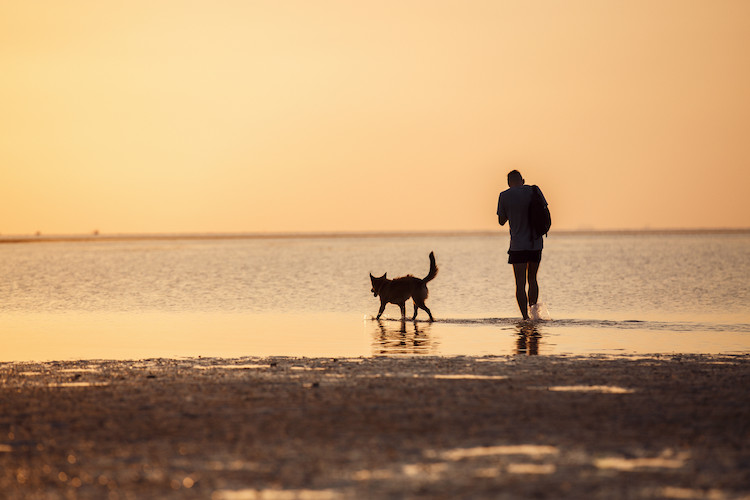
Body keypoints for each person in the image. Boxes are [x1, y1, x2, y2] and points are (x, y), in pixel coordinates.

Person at [497, 170, 548, 320]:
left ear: (508, 183)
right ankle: (534, 315)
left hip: (517, 245)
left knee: (520, 283)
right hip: (536, 243)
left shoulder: (504, 195)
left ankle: (525, 318)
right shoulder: (534, 190)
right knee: (533, 279)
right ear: (523, 180)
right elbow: (544, 210)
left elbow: (501, 221)